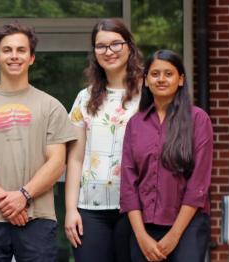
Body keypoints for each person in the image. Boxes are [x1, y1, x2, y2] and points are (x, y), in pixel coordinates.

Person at [0, 22, 76, 262]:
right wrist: (7, 200)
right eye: (7, 50)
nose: (14, 56)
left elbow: (57, 162)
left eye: (21, 50)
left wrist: (24, 195)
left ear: (31, 58)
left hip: (38, 218)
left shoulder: (51, 106)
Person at [120, 50, 212, 262]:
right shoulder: (135, 124)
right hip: (143, 227)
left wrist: (174, 235)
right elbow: (128, 184)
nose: (161, 79)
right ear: (145, 80)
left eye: (168, 74)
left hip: (188, 226)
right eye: (155, 74)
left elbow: (198, 184)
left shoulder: (198, 120)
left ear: (180, 80)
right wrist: (141, 236)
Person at [63, 18, 143, 262]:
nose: (109, 52)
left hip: (137, 208)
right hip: (91, 210)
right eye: (101, 46)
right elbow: (75, 159)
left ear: (129, 46)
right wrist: (70, 210)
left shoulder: (148, 93)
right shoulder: (84, 98)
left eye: (116, 44)